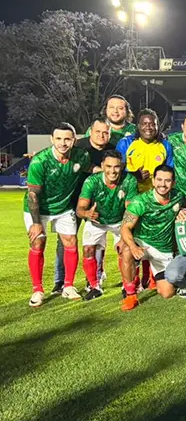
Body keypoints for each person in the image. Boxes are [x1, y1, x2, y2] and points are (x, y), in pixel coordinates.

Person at [24, 122, 93, 307]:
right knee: (38, 242)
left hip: (63, 208)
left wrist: (111, 172)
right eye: (59, 139)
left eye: (67, 139)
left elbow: (91, 168)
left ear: (74, 140)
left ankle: (68, 286)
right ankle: (37, 290)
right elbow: (32, 195)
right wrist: (36, 223)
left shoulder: (81, 156)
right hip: (39, 209)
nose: (63, 143)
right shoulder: (40, 161)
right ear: (52, 139)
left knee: (71, 241)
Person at [54, 117, 116, 293]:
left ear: (110, 133)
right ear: (91, 131)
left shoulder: (112, 150)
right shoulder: (78, 147)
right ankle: (60, 281)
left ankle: (93, 279)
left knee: (96, 241)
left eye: (105, 132)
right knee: (65, 240)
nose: (101, 135)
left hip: (99, 203)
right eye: (98, 132)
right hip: (72, 201)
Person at [118, 164, 184, 311]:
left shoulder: (179, 197)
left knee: (167, 293)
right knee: (126, 250)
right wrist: (133, 247)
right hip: (142, 243)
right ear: (153, 181)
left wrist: (183, 212)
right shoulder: (140, 201)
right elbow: (125, 227)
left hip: (163, 248)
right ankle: (130, 295)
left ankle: (160, 278)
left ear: (173, 183)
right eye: (159, 180)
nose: (163, 184)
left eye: (167, 181)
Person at [76, 150, 138, 300]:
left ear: (121, 166)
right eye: (109, 166)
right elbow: (79, 209)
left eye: (116, 167)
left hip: (120, 221)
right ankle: (94, 286)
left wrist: (125, 233)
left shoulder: (129, 180)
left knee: (126, 250)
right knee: (88, 249)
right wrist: (87, 214)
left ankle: (127, 285)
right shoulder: (92, 181)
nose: (112, 171)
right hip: (97, 222)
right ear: (102, 166)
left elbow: (130, 210)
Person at [116, 108, 175, 194]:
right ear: (138, 126)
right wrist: (134, 175)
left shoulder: (165, 145)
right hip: (131, 194)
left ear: (157, 126)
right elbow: (116, 170)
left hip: (155, 195)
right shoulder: (125, 143)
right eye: (144, 123)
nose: (148, 127)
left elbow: (170, 172)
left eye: (152, 124)